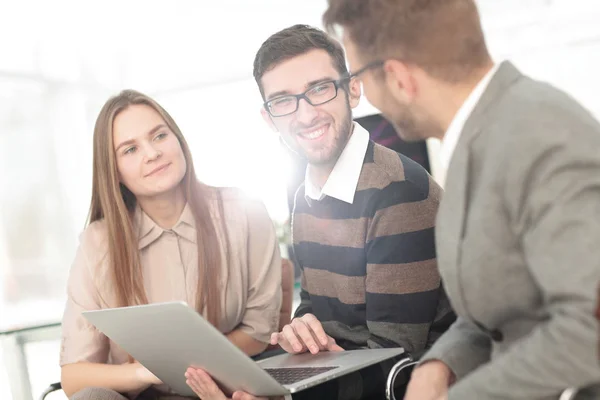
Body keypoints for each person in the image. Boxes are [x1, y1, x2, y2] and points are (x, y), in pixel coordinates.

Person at [322, 0, 600, 399]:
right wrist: (442, 362)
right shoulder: (477, 137)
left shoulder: (545, 139)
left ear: (399, 77)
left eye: (361, 77)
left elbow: (589, 332)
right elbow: (501, 312)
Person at [253, 24, 454, 399]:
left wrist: (278, 395)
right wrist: (301, 329)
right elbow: (317, 307)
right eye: (283, 100)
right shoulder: (304, 197)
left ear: (353, 89)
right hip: (342, 376)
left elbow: (395, 367)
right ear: (269, 118)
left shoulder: (398, 192)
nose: (305, 114)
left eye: (319, 89)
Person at [59, 89, 282, 400]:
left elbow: (258, 332)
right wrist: (149, 370)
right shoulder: (97, 244)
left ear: (178, 139)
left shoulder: (244, 212)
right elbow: (74, 375)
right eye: (130, 149)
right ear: (116, 173)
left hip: (225, 388)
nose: (152, 153)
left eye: (159, 136)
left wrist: (192, 367)